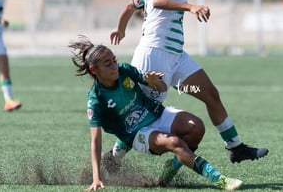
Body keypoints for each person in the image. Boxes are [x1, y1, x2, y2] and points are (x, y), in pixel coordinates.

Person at [110, 0, 268, 166]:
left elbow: (130, 4)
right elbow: (158, 2)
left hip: (175, 59)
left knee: (210, 94)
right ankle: (114, 157)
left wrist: (120, 29)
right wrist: (191, 7)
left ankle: (235, 147)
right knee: (142, 110)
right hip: (154, 57)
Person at [68, 35, 243, 191]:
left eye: (114, 60)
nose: (114, 66)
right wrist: (96, 177)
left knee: (196, 127)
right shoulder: (96, 99)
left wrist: (154, 82)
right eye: (108, 64)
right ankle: (219, 180)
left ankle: (171, 167)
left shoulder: (124, 70)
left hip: (157, 113)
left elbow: (161, 87)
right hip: (137, 134)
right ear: (93, 70)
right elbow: (95, 140)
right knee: (175, 142)